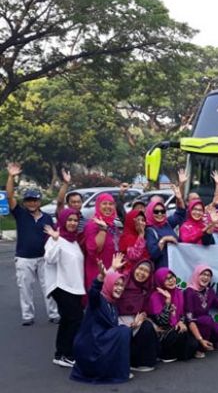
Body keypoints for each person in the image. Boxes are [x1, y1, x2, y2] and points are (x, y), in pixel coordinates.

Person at [6, 162, 59, 325]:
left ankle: (54, 314)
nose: (31, 203)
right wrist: (11, 176)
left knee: (49, 287)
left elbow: (54, 236)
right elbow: (9, 196)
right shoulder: (20, 214)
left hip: (44, 258)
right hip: (24, 258)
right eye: (28, 200)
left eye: (34, 200)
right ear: (25, 202)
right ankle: (27, 316)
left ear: (39, 201)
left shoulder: (47, 218)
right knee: (25, 288)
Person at [71, 260, 131, 384]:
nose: (119, 288)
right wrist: (100, 278)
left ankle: (115, 370)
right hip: (91, 346)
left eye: (121, 285)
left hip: (101, 343)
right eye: (116, 284)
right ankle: (116, 372)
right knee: (123, 331)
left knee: (124, 330)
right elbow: (93, 292)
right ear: (108, 284)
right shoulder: (98, 301)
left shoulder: (112, 304)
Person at [43, 208, 85, 368]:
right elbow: (50, 259)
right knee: (76, 319)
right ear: (63, 221)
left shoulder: (73, 240)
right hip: (61, 286)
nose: (73, 223)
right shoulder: (56, 239)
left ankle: (60, 354)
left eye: (75, 220)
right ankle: (67, 354)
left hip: (73, 286)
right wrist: (55, 240)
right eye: (69, 220)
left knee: (67, 321)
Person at [115, 259, 159, 372]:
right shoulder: (122, 282)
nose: (142, 273)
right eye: (140, 269)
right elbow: (111, 302)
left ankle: (143, 362)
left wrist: (142, 317)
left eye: (146, 271)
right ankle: (132, 361)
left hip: (136, 320)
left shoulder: (145, 289)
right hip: (118, 321)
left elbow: (144, 309)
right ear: (135, 268)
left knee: (149, 327)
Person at [148, 268, 199, 362]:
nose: (171, 280)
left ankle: (177, 353)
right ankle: (164, 354)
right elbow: (162, 322)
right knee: (179, 336)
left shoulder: (178, 292)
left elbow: (182, 313)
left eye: (172, 277)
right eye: (166, 279)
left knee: (193, 343)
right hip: (162, 332)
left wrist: (180, 321)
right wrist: (168, 302)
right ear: (160, 282)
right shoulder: (155, 296)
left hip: (175, 328)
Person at [83, 193, 120, 292]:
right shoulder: (92, 225)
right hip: (98, 272)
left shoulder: (112, 225)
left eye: (111, 204)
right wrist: (102, 229)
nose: (108, 207)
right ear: (98, 206)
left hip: (112, 270)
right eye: (104, 204)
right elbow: (95, 249)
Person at [145, 188, 186, 269]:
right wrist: (164, 240)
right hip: (162, 270)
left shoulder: (167, 223)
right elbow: (153, 254)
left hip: (174, 266)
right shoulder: (149, 230)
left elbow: (180, 214)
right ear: (150, 211)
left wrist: (179, 199)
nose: (160, 214)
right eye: (156, 211)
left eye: (162, 211)